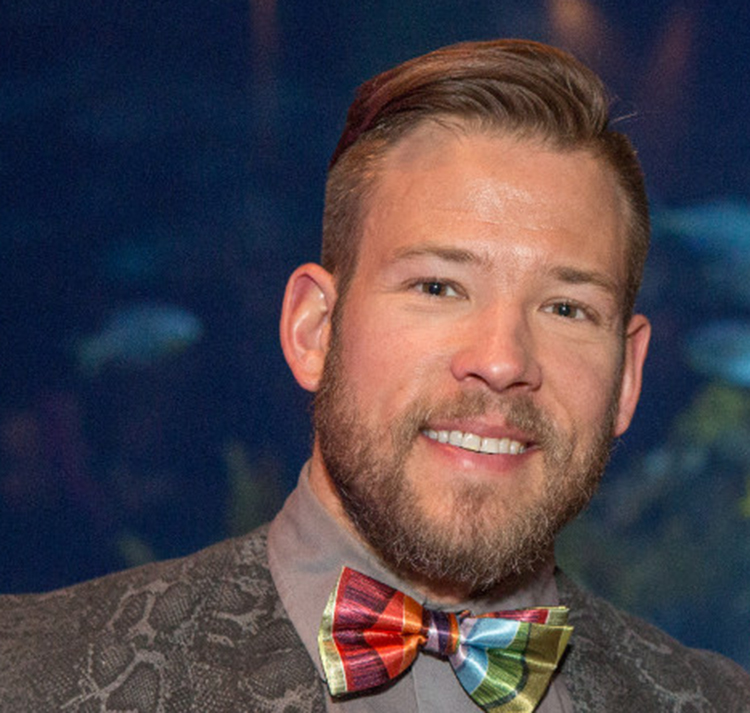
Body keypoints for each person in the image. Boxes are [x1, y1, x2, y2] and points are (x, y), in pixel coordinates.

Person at [1, 39, 749, 713]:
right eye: (439, 287)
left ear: (627, 376)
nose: (502, 360)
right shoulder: (28, 677)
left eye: (565, 307)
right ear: (314, 330)